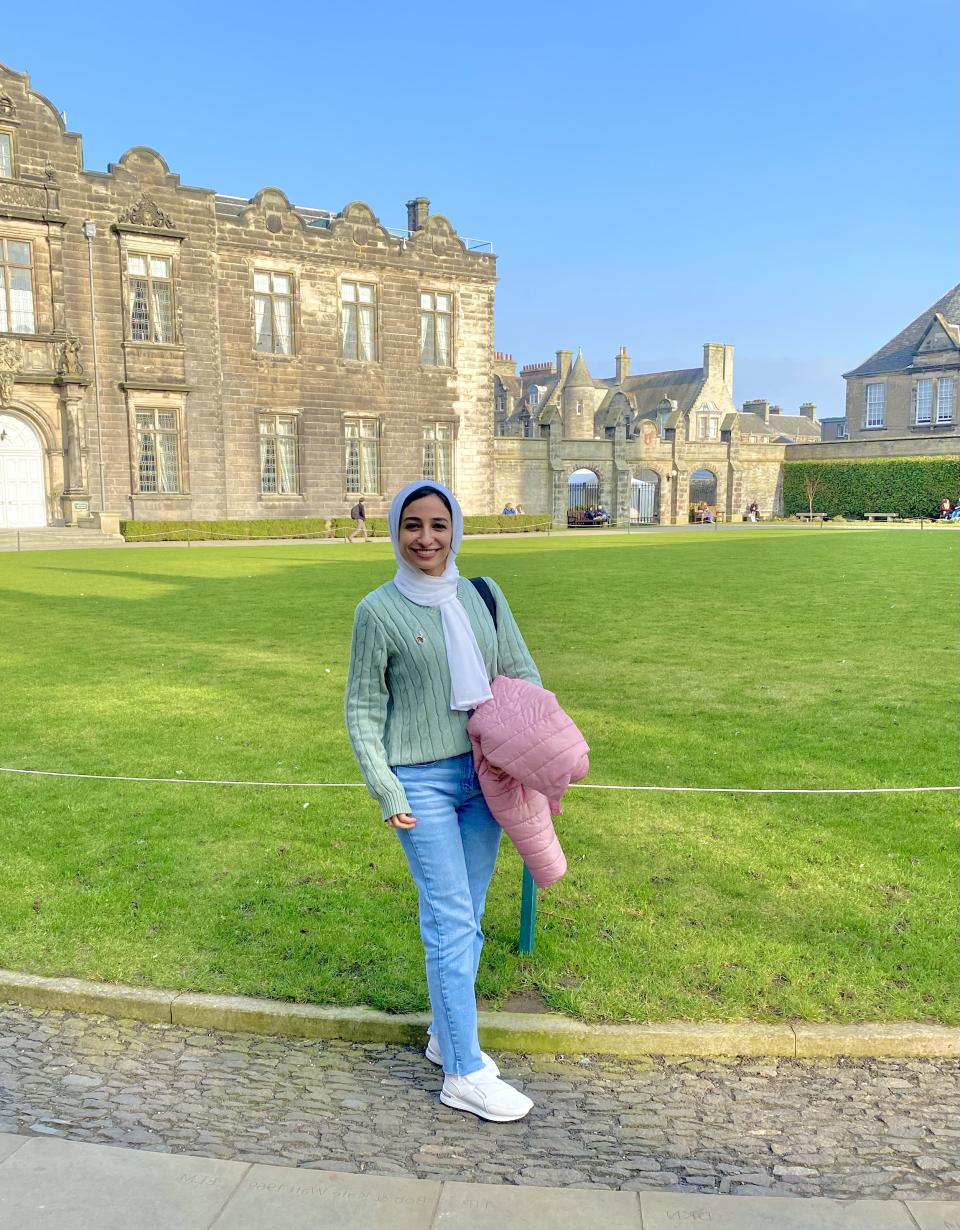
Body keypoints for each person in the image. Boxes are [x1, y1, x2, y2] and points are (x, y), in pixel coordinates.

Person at [344, 480, 541, 1123]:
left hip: (484, 775)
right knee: (452, 918)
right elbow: (364, 708)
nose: (426, 538)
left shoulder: (484, 594)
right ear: (395, 532)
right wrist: (387, 787)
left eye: (438, 524)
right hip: (419, 782)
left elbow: (520, 673)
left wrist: (536, 747)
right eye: (411, 525)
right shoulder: (377, 610)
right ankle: (464, 1071)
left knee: (468, 915)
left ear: (455, 527)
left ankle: (444, 1034)